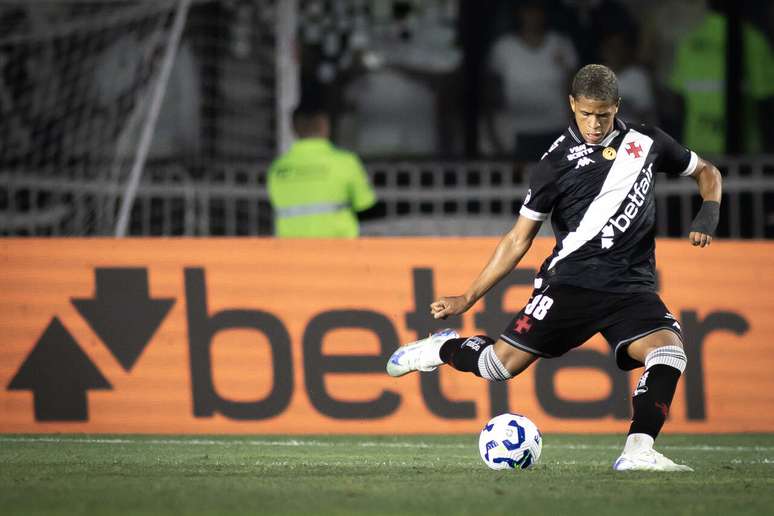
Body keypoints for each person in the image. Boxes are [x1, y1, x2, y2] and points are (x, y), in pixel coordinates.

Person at [387, 64, 722, 471]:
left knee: (669, 352)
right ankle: (440, 348)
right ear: (572, 105)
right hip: (571, 284)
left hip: (631, 288)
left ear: (617, 106)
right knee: (497, 366)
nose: (594, 124)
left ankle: (638, 451)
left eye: (603, 115)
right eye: (586, 114)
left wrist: (708, 213)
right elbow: (518, 239)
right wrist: (467, 297)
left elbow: (707, 172)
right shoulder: (556, 163)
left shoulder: (646, 140)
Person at [482, 0, 577, 159]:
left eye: (537, 10)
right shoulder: (503, 47)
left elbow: (573, 87)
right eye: (528, 11)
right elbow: (491, 92)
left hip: (557, 126)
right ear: (519, 14)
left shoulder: (561, 43)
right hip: (515, 130)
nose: (533, 16)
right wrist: (493, 133)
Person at [267, 104, 377, 238]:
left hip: (292, 246)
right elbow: (365, 205)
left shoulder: (277, 168)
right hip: (338, 246)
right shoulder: (345, 162)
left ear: (293, 128)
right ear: (325, 125)